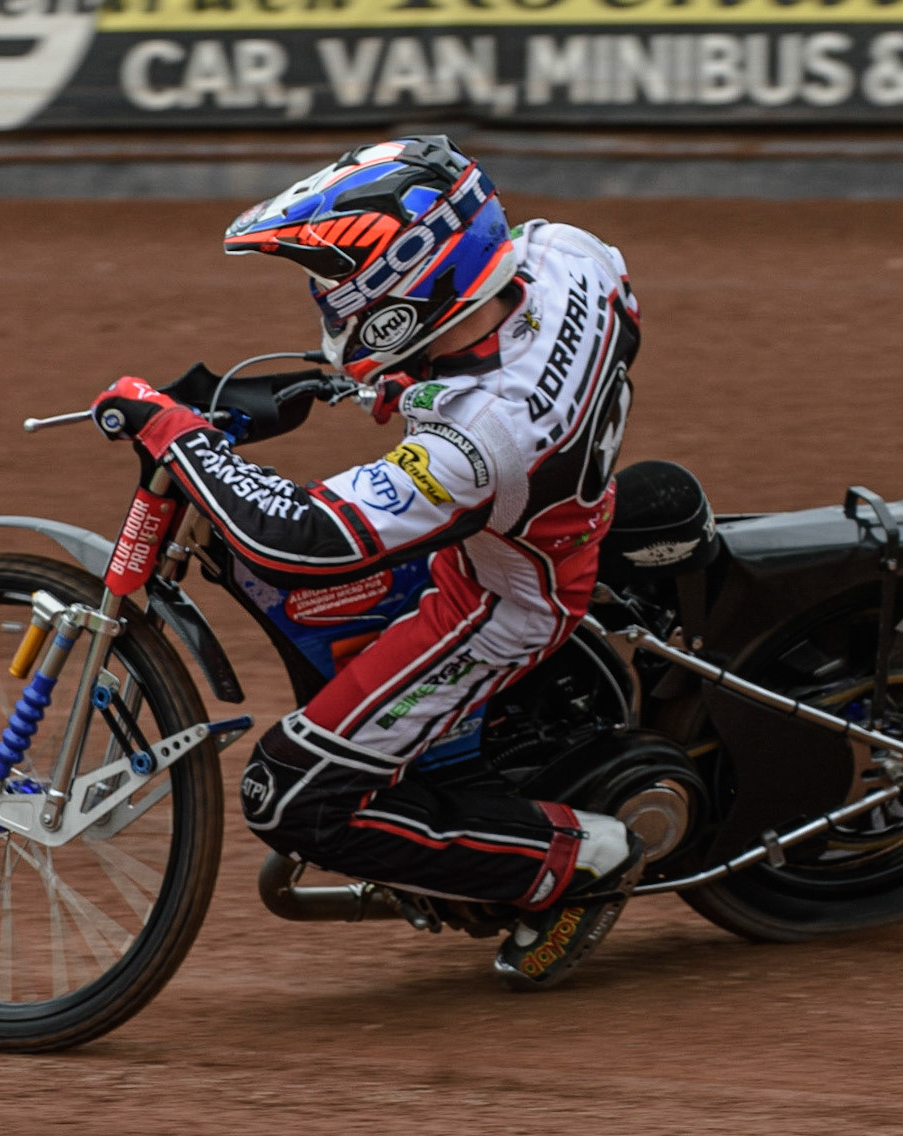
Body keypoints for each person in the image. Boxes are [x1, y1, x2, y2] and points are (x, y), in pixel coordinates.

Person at [90, 136, 644, 990]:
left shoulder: (480, 437)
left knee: (285, 794)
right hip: (545, 510)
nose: (320, 298)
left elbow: (302, 540)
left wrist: (178, 434)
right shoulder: (564, 253)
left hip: (502, 602)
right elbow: (606, 322)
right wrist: (409, 381)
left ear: (402, 284)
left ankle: (576, 862)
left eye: (333, 283)